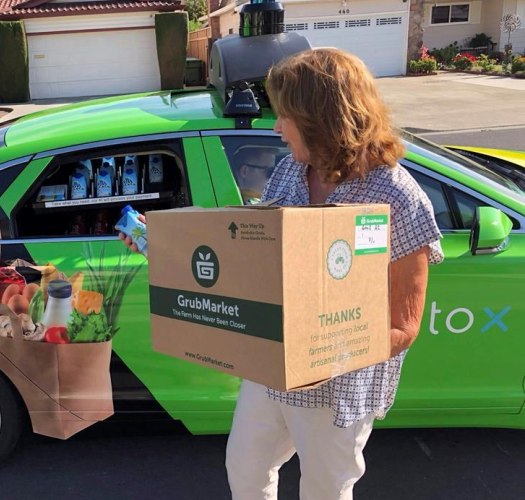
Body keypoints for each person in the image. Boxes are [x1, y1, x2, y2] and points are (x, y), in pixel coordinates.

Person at [120, 48, 443, 500]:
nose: (275, 127)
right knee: (246, 471)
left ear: (320, 117)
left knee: (325, 490)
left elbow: (404, 327)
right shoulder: (293, 169)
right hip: (272, 368)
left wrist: (325, 355)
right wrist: (167, 249)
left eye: (284, 114)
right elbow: (251, 256)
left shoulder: (397, 197)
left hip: (338, 385)